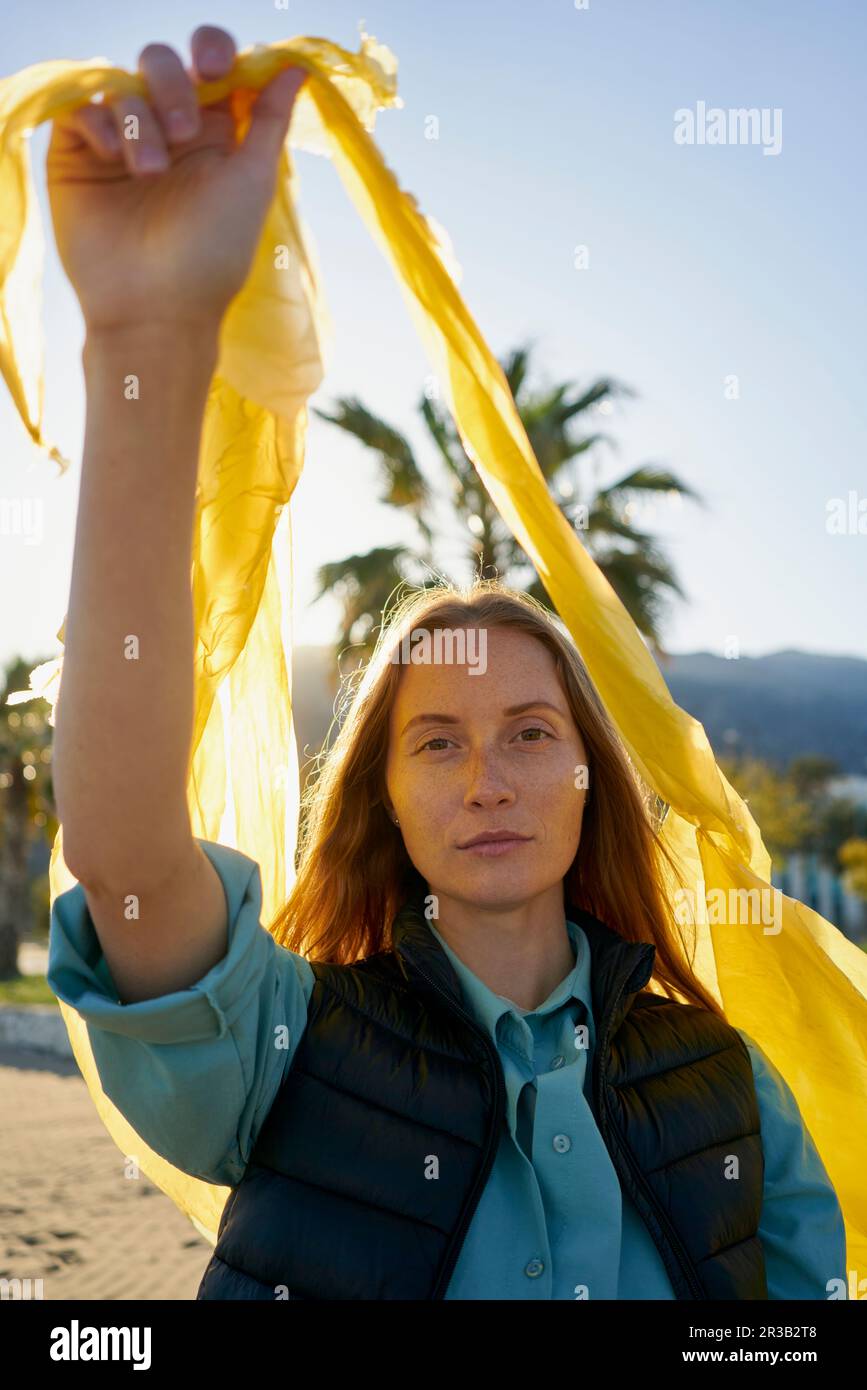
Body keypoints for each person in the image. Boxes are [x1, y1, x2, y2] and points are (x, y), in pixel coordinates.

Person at [46, 24, 846, 1301]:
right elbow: (131, 862)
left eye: (532, 731)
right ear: (385, 797)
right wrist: (145, 337)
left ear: (593, 778)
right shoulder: (288, 1040)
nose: (488, 775)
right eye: (437, 740)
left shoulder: (736, 1089)